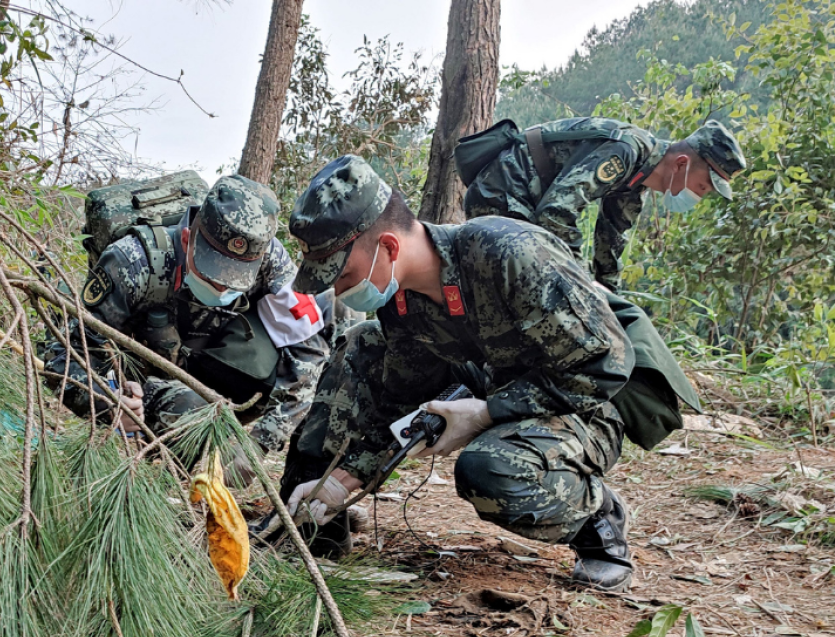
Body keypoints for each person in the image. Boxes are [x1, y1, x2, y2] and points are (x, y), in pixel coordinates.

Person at [276, 154, 640, 590]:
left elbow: (605, 367)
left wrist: (486, 413)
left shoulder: (507, 253)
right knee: (362, 344)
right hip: (491, 388)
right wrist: (342, 480)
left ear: (389, 247)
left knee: (489, 469)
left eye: (343, 273)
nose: (336, 289)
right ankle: (312, 514)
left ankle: (597, 520)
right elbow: (397, 398)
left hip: (586, 406)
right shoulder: (401, 301)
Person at [45, 174, 333, 484]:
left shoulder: (270, 259)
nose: (222, 288)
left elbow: (309, 351)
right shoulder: (131, 262)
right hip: (145, 380)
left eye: (236, 280)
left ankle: (300, 496)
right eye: (212, 275)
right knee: (189, 408)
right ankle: (158, 484)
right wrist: (111, 402)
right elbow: (63, 357)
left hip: (211, 361)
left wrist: (259, 443)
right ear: (186, 240)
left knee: (332, 325)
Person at [463, 118, 746, 291]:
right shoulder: (626, 151)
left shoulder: (637, 182)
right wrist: (584, 283)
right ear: (682, 164)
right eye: (702, 186)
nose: (699, 196)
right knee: (524, 287)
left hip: (525, 201)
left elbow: (609, 248)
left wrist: (613, 303)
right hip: (503, 191)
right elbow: (556, 214)